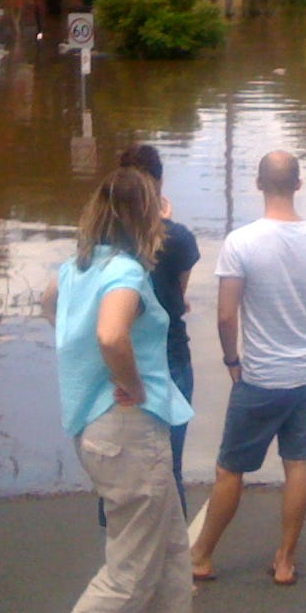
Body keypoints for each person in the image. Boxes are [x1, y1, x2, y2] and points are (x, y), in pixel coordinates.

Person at [14, 168, 216, 613]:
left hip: (95, 427)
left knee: (171, 540)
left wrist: (84, 357)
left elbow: (51, 308)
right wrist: (128, 382)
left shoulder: (77, 267)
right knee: (132, 564)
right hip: (128, 430)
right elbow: (111, 333)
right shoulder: (126, 271)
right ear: (146, 216)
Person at [189, 151, 306, 587]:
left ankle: (201, 554)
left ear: (259, 184)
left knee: (230, 470)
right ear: (298, 184)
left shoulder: (242, 243)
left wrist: (231, 361)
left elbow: (225, 315)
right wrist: (297, 290)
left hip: (261, 377)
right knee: (296, 463)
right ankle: (286, 561)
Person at [119, 143, 200, 515]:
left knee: (123, 469)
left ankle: (121, 556)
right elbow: (177, 296)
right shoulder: (178, 238)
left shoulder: (106, 239)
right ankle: (175, 562)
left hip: (120, 357)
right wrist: (167, 224)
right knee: (170, 467)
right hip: (169, 355)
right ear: (160, 181)